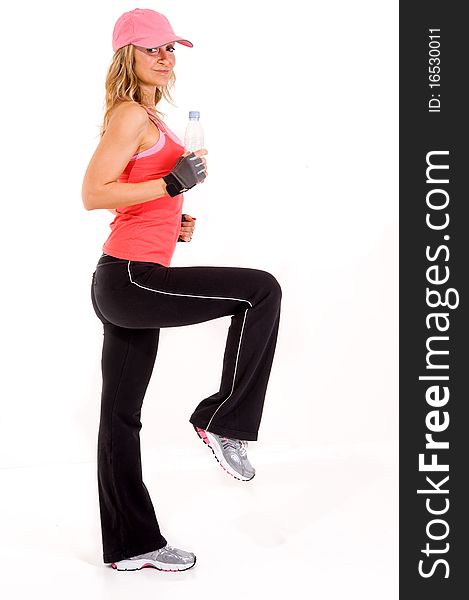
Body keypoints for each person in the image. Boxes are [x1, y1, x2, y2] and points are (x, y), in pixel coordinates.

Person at [83, 8, 282, 573]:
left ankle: (130, 545)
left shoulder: (149, 116)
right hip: (132, 278)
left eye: (171, 48)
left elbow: (133, 193)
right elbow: (92, 193)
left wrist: (174, 215)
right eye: (153, 49)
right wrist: (172, 182)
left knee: (119, 417)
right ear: (128, 56)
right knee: (260, 291)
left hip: (125, 276)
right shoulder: (127, 114)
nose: (165, 57)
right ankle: (223, 421)